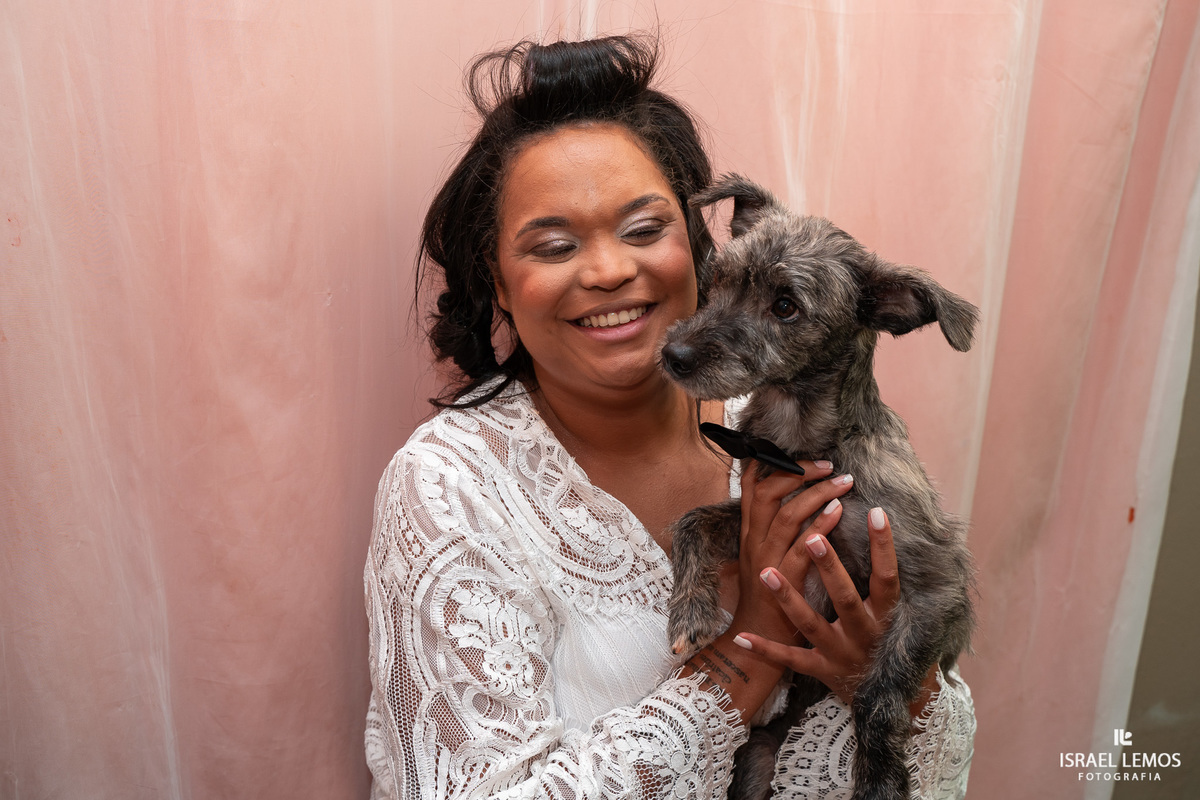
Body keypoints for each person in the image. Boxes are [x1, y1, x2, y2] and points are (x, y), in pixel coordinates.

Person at [364, 34, 975, 800]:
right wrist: (749, 654)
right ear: (499, 282)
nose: (609, 270)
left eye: (645, 229)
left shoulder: (783, 429)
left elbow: (943, 762)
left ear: (698, 244)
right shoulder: (450, 487)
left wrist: (890, 688)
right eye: (554, 245)